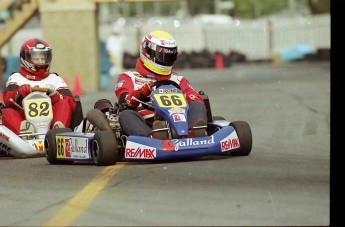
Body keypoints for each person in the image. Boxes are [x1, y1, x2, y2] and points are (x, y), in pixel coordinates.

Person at [114, 30, 207, 139]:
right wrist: (141, 93)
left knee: (197, 103)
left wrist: (188, 96)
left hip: (179, 119)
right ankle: (152, 138)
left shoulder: (178, 79)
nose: (165, 61)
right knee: (126, 115)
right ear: (147, 53)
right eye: (161, 56)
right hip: (146, 121)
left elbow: (194, 97)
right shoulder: (129, 77)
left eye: (169, 57)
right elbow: (124, 102)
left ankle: (193, 134)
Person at [1, 38, 76, 134]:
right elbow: (7, 100)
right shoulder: (16, 78)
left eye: (43, 58)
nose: (40, 62)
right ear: (26, 58)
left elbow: (72, 104)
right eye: (36, 59)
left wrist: (57, 97)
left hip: (51, 123)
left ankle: (58, 131)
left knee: (63, 103)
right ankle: (24, 131)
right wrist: (19, 92)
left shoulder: (55, 79)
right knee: (8, 111)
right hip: (24, 119)